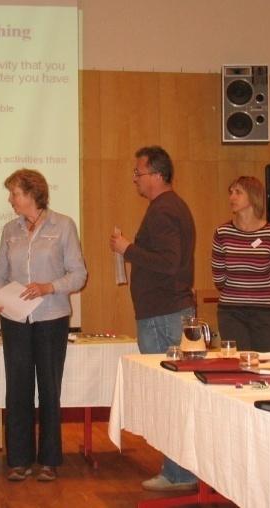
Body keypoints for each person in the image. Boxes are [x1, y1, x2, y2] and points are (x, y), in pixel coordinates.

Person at [109, 145, 197, 492]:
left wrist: (127, 249)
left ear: (158, 175)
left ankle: (179, 473)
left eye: (139, 172)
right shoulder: (170, 207)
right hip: (167, 311)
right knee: (173, 395)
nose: (135, 178)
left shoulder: (163, 211)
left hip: (163, 315)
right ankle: (179, 471)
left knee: (169, 395)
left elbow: (168, 262)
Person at [0, 169, 87, 483]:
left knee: (49, 389)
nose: (10, 199)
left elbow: (78, 274)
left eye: (14, 193)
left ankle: (48, 461)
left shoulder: (63, 226)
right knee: (17, 390)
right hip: (15, 320)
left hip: (51, 319)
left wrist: (49, 287)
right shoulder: (10, 230)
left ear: (32, 194)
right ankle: (19, 461)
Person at [211, 175, 270, 351]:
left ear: (253, 196)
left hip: (265, 313)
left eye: (238, 192)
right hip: (232, 312)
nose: (232, 197)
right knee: (238, 362)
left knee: (266, 362)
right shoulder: (222, 233)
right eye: (231, 192)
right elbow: (219, 278)